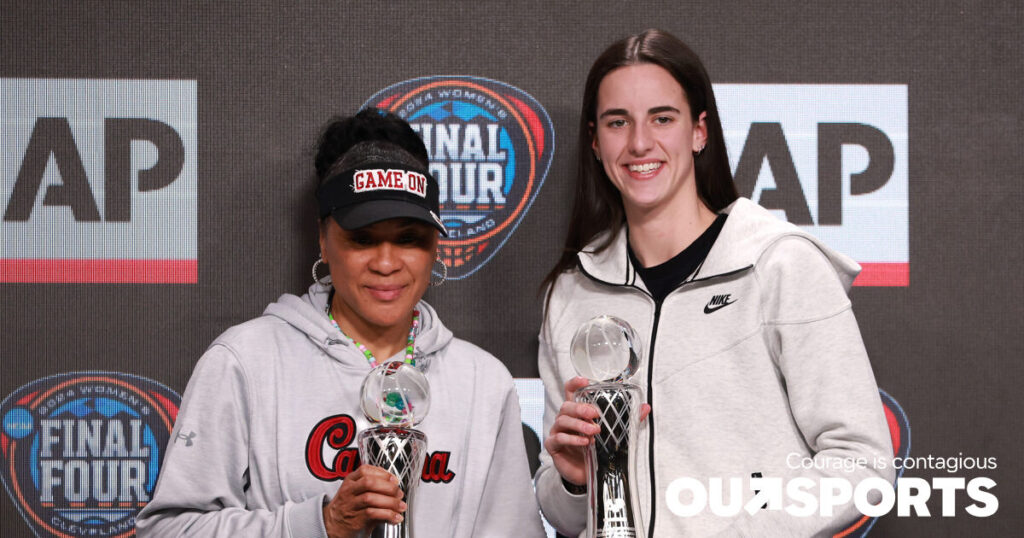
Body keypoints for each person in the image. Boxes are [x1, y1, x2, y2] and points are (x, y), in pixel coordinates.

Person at [534, 29, 895, 537]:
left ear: (699, 132)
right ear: (595, 141)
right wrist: (575, 480)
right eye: (618, 122)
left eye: (663, 118)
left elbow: (862, 465)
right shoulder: (571, 293)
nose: (640, 143)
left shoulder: (779, 265)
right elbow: (565, 517)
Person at [137, 108, 545, 537]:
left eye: (408, 238)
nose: (385, 263)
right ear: (323, 240)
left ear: (435, 245)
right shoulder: (245, 361)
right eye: (362, 239)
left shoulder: (482, 380)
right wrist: (321, 524)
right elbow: (166, 531)